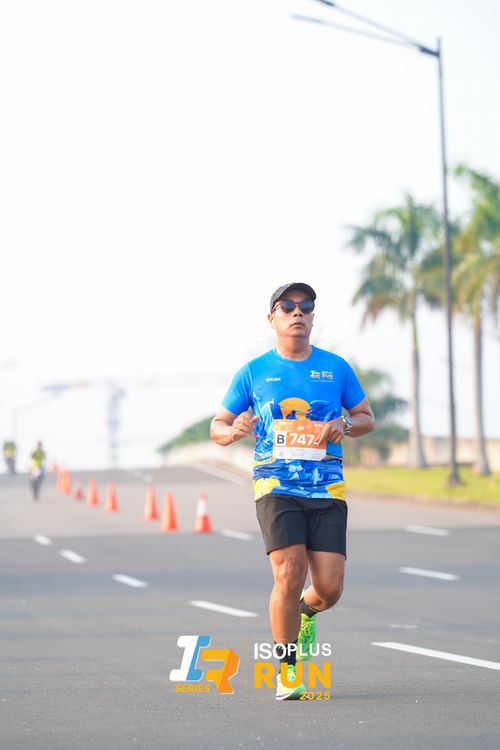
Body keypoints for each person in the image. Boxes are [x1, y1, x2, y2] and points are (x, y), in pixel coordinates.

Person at [210, 283, 375, 700]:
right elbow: (218, 425)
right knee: (289, 571)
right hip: (276, 485)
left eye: (305, 306)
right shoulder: (254, 371)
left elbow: (365, 417)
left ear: (313, 317)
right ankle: (287, 671)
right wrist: (234, 431)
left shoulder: (335, 368)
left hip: (326, 488)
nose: (297, 312)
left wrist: (346, 425)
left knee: (330, 588)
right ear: (273, 318)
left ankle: (306, 610)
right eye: (287, 306)